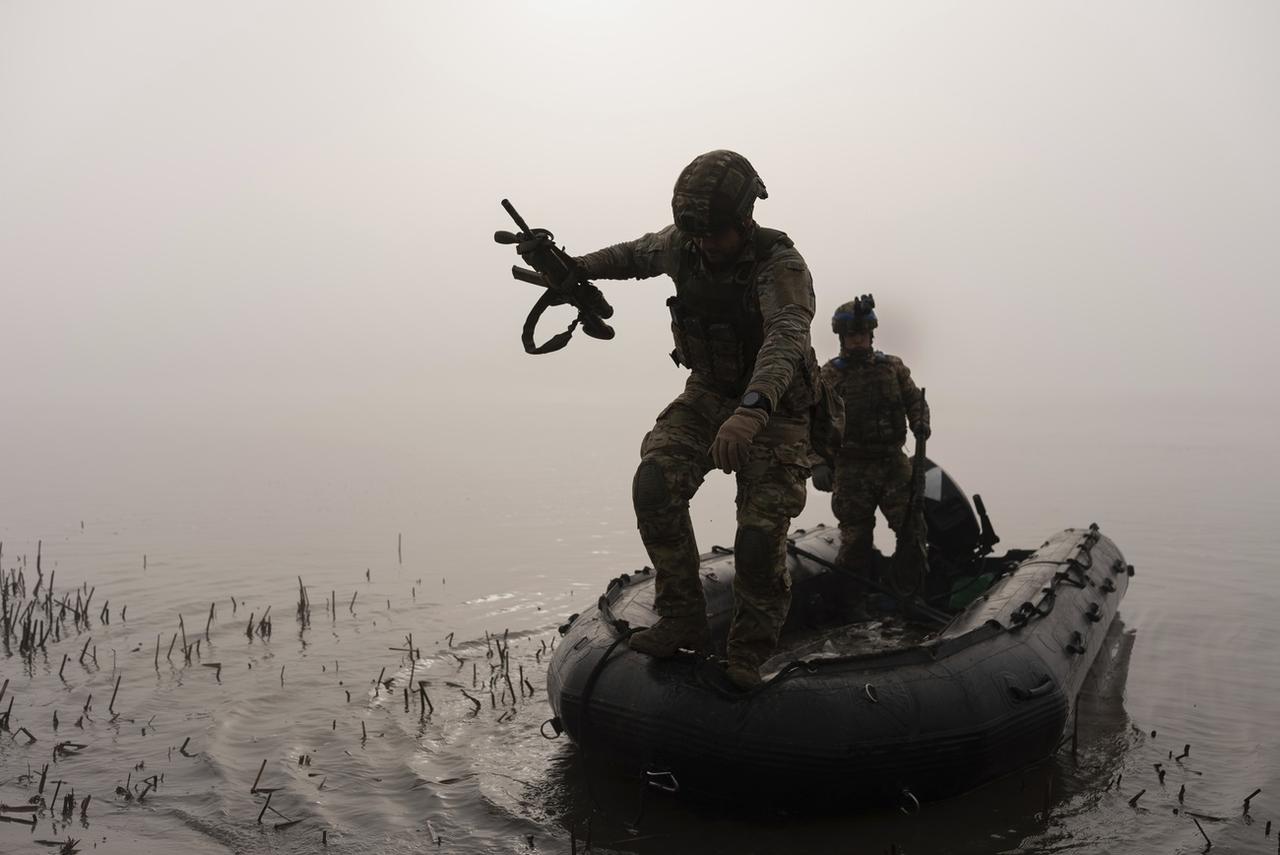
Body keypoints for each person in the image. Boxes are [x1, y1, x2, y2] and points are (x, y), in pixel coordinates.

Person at [567, 150, 823, 689]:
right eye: (699, 235)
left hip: (777, 411)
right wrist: (575, 268)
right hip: (709, 393)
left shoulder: (781, 265)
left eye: (718, 234)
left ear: (746, 219)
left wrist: (751, 412)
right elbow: (632, 255)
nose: (707, 245)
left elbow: (785, 338)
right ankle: (681, 615)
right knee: (655, 482)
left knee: (757, 536)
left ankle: (748, 653)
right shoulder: (684, 243)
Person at [812, 295, 930, 583]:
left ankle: (912, 592)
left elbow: (915, 400)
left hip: (893, 463)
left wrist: (920, 424)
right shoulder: (828, 377)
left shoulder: (892, 368)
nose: (857, 341)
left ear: (871, 335)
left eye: (862, 334)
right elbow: (811, 422)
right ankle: (851, 605)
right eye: (851, 335)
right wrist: (816, 463)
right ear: (842, 337)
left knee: (911, 530)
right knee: (855, 539)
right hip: (851, 469)